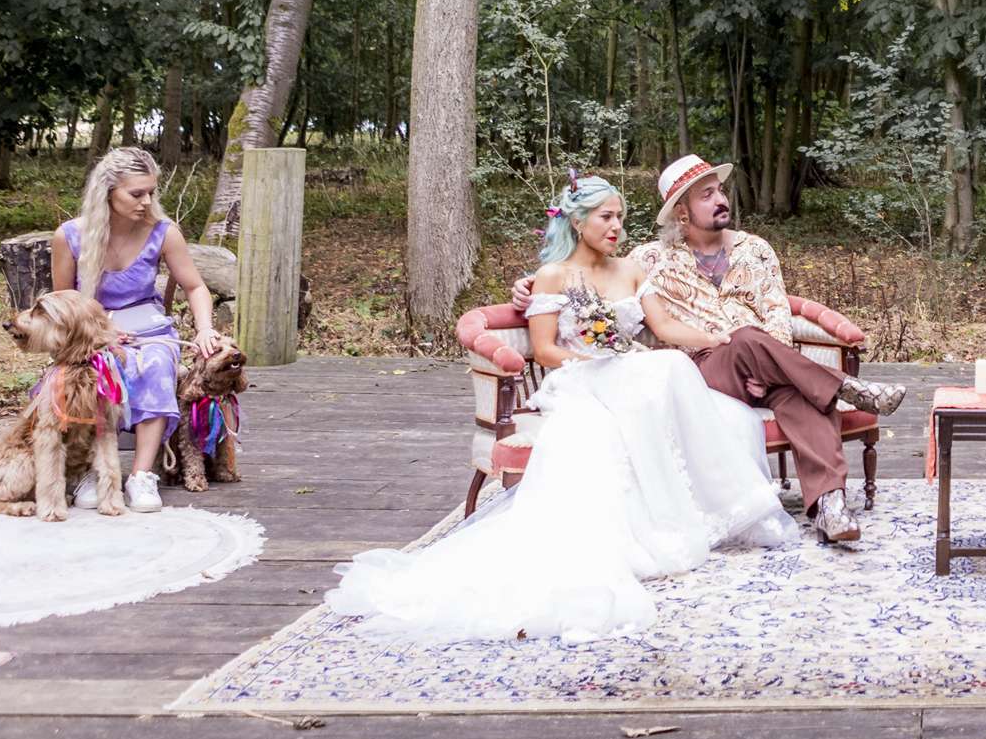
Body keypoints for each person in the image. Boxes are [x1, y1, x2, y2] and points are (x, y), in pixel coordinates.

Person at [324, 175, 795, 642]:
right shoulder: (552, 276)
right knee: (660, 370)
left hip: (629, 372)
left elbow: (666, 326)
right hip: (582, 376)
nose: (616, 227)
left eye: (620, 217)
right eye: (605, 217)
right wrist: (600, 359)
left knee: (679, 372)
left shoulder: (631, 270)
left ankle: (698, 512)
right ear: (577, 221)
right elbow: (546, 350)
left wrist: (717, 338)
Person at [518, 154, 906, 545]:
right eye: (707, 195)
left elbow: (777, 314)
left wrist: (767, 367)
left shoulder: (756, 250)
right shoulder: (649, 259)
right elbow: (582, 282)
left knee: (800, 392)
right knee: (744, 337)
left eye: (720, 191)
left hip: (770, 363)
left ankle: (830, 506)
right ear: (682, 212)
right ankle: (844, 386)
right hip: (703, 372)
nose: (721, 200)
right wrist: (526, 286)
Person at [53, 146, 228, 513]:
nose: (146, 202)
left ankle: (141, 475)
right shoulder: (69, 236)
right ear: (108, 192)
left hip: (148, 327)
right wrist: (100, 334)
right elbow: (63, 304)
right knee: (98, 369)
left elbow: (195, 286)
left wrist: (204, 329)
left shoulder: (162, 232)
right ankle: (94, 470)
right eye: (136, 193)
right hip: (91, 331)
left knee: (157, 363)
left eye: (151, 192)